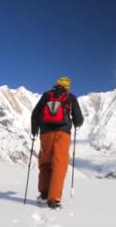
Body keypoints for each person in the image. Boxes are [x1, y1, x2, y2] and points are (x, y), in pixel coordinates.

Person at [31, 76, 84, 209]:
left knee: (45, 164)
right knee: (59, 166)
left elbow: (35, 114)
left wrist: (34, 131)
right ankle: (53, 199)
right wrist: (77, 123)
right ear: (67, 86)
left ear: (57, 84)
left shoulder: (46, 96)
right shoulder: (70, 97)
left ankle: (43, 194)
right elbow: (78, 119)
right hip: (62, 134)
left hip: (45, 134)